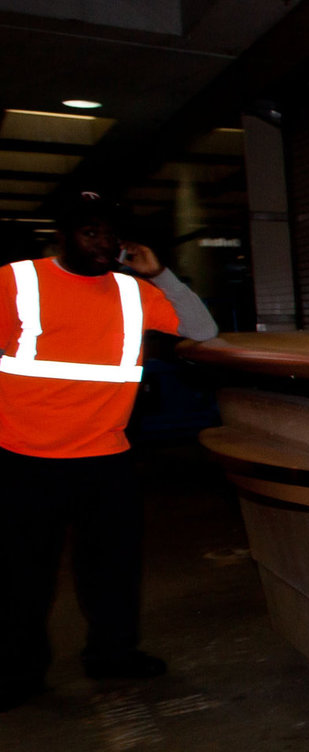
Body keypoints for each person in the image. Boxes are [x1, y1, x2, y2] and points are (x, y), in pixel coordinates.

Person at [0, 191, 218, 711]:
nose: (104, 244)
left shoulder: (132, 291)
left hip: (105, 456)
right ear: (64, 234)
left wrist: (160, 273)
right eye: (90, 232)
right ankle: (17, 673)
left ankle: (112, 655)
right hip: (25, 458)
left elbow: (202, 329)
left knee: (112, 569)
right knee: (21, 574)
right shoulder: (17, 280)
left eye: (112, 235)